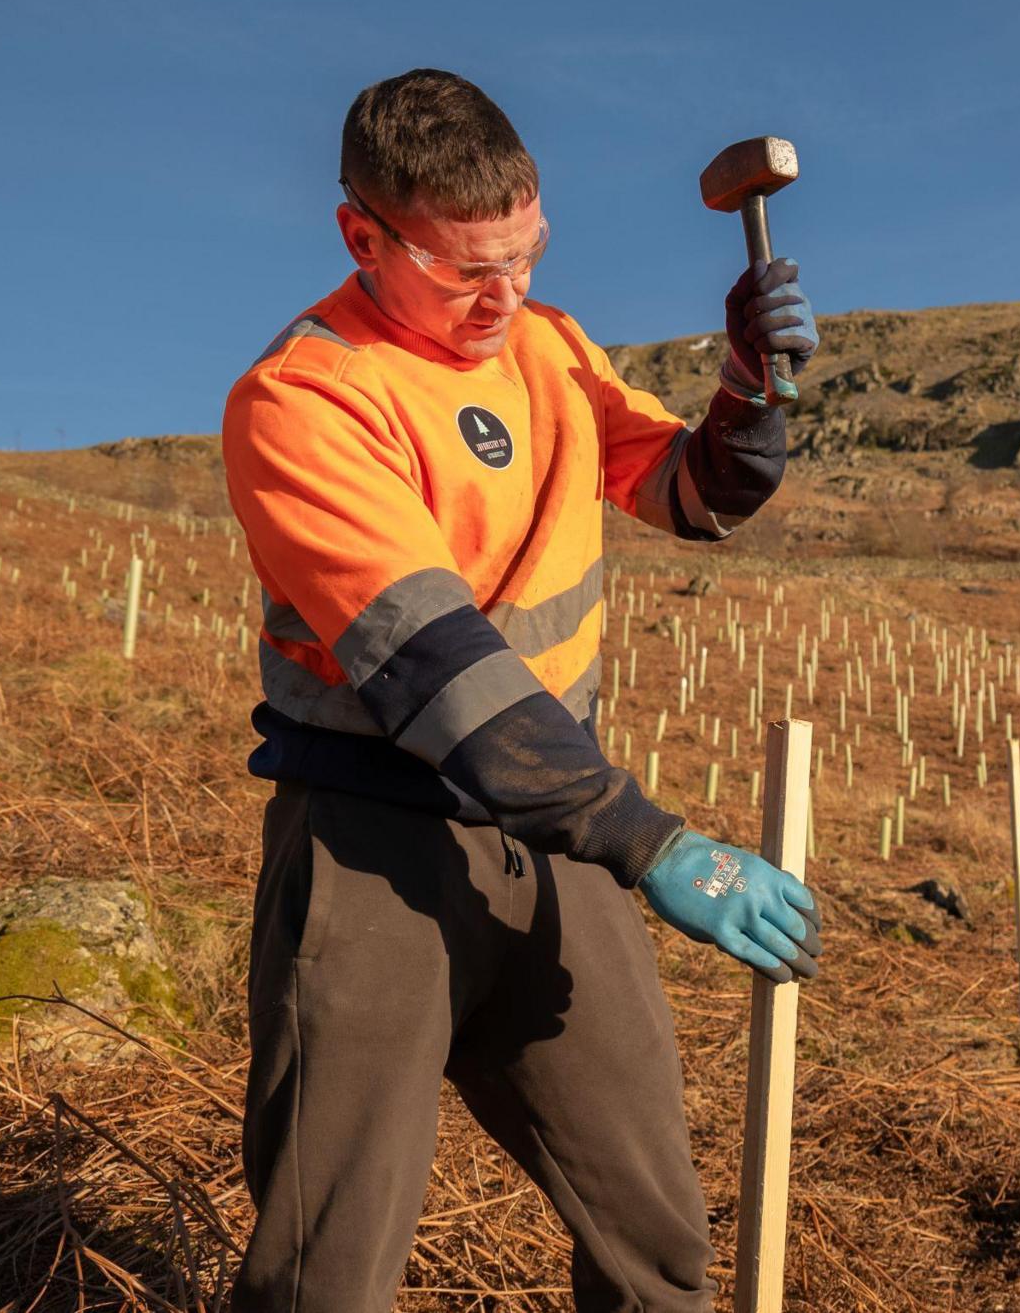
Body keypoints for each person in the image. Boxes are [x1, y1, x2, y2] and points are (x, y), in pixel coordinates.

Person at [219, 68, 824, 1313]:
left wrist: (751, 392)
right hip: (374, 844)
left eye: (529, 256)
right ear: (362, 236)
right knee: (324, 1274)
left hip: (558, 848)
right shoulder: (304, 399)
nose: (506, 298)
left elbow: (691, 492)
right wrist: (655, 844)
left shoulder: (549, 349)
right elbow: (442, 669)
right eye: (463, 272)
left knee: (655, 1242)